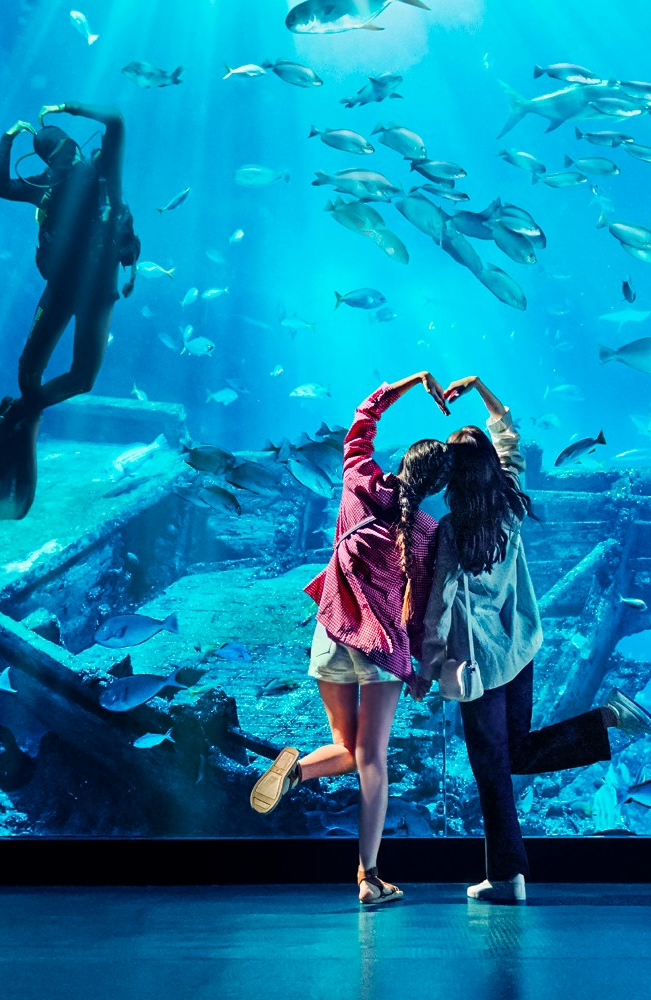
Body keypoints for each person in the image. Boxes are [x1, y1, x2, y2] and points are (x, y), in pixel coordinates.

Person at [421, 375, 651, 904]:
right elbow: (508, 435)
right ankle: (607, 718)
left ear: (452, 477)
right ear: (489, 467)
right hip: (521, 650)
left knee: (492, 768)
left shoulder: (450, 530)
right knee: (517, 753)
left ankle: (506, 880)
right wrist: (484, 389)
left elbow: (439, 608)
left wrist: (426, 669)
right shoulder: (509, 504)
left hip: (480, 666)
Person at [249, 372, 452, 905]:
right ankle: (369, 876)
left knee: (345, 746)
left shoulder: (359, 481)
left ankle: (296, 771)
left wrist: (411, 383)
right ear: (434, 487)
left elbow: (360, 424)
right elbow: (425, 611)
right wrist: (422, 671)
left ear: (401, 462)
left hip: (332, 633)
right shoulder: (428, 531)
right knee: (372, 759)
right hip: (382, 651)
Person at [0, 101, 140, 522]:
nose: (70, 159)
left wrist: (10, 136)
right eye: (65, 153)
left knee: (43, 374)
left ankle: (22, 413)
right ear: (67, 154)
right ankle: (24, 415)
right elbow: (116, 119)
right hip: (82, 292)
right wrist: (68, 109)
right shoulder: (88, 177)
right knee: (68, 376)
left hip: (71, 292)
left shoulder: (58, 183)